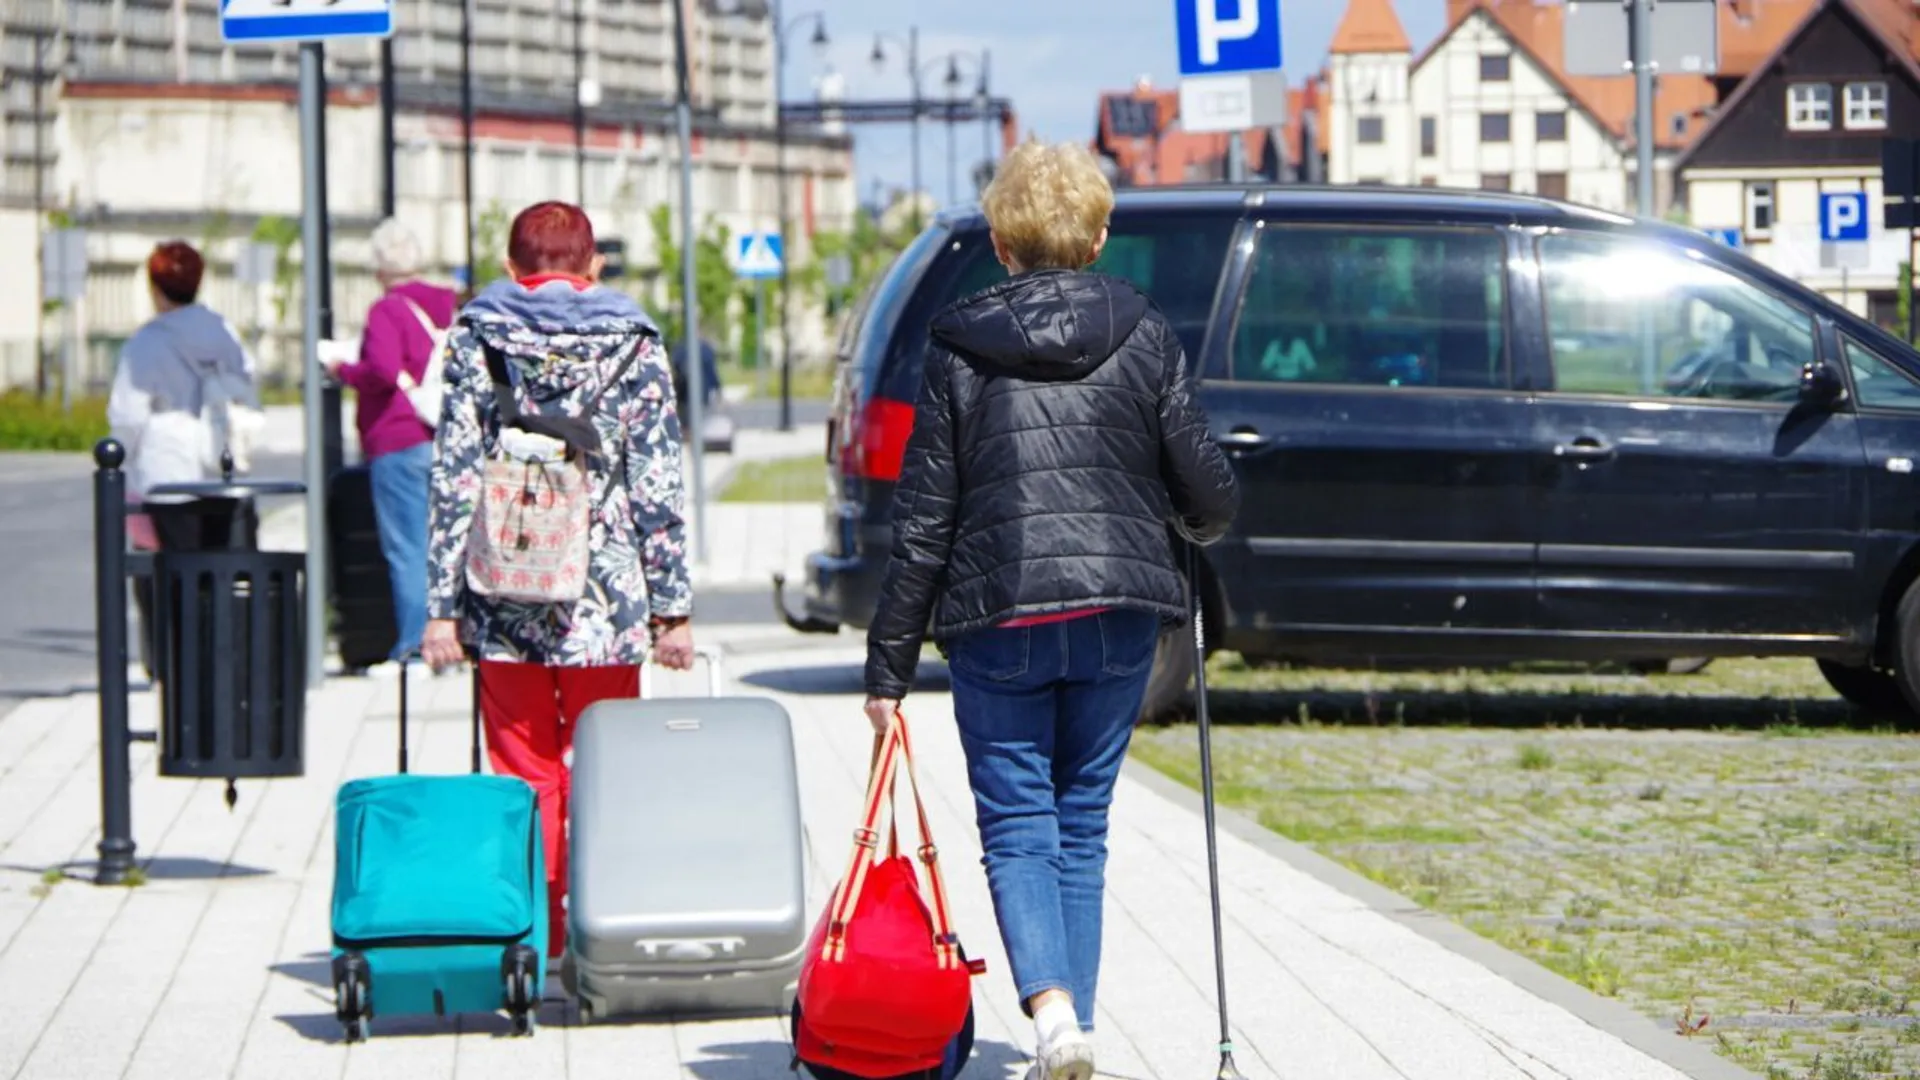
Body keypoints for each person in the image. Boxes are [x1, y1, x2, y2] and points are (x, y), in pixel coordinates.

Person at [860, 139, 1240, 1080]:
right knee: (1083, 824)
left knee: (1020, 822)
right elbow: (1212, 494)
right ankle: (1068, 1032)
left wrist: (888, 671)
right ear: (1103, 235)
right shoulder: (1145, 332)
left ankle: (1057, 1026)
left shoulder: (957, 348)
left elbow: (923, 520)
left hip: (999, 617)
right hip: (1118, 611)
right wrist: (1185, 516)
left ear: (999, 241)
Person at [419, 201, 696, 963]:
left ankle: (530, 938)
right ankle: (598, 930)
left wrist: (441, 608)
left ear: (513, 269)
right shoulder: (634, 344)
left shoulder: (477, 338)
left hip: (502, 588)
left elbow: (451, 476)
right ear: (594, 266)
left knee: (522, 771)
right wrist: (671, 609)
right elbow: (658, 481)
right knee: (604, 766)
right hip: (606, 603)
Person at [108, 240, 261, 677]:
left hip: (168, 473)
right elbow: (245, 388)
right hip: (223, 466)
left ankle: (177, 669)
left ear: (156, 287)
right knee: (225, 575)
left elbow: (128, 415)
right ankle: (226, 665)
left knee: (174, 577)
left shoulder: (148, 343)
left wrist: (122, 460)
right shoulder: (222, 330)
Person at [323, 218, 459, 663]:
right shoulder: (446, 305)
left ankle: (416, 648)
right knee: (444, 545)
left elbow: (381, 370)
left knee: (406, 547)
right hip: (441, 435)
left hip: (398, 436)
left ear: (380, 268)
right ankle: (453, 640)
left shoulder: (386, 310)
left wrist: (343, 370)